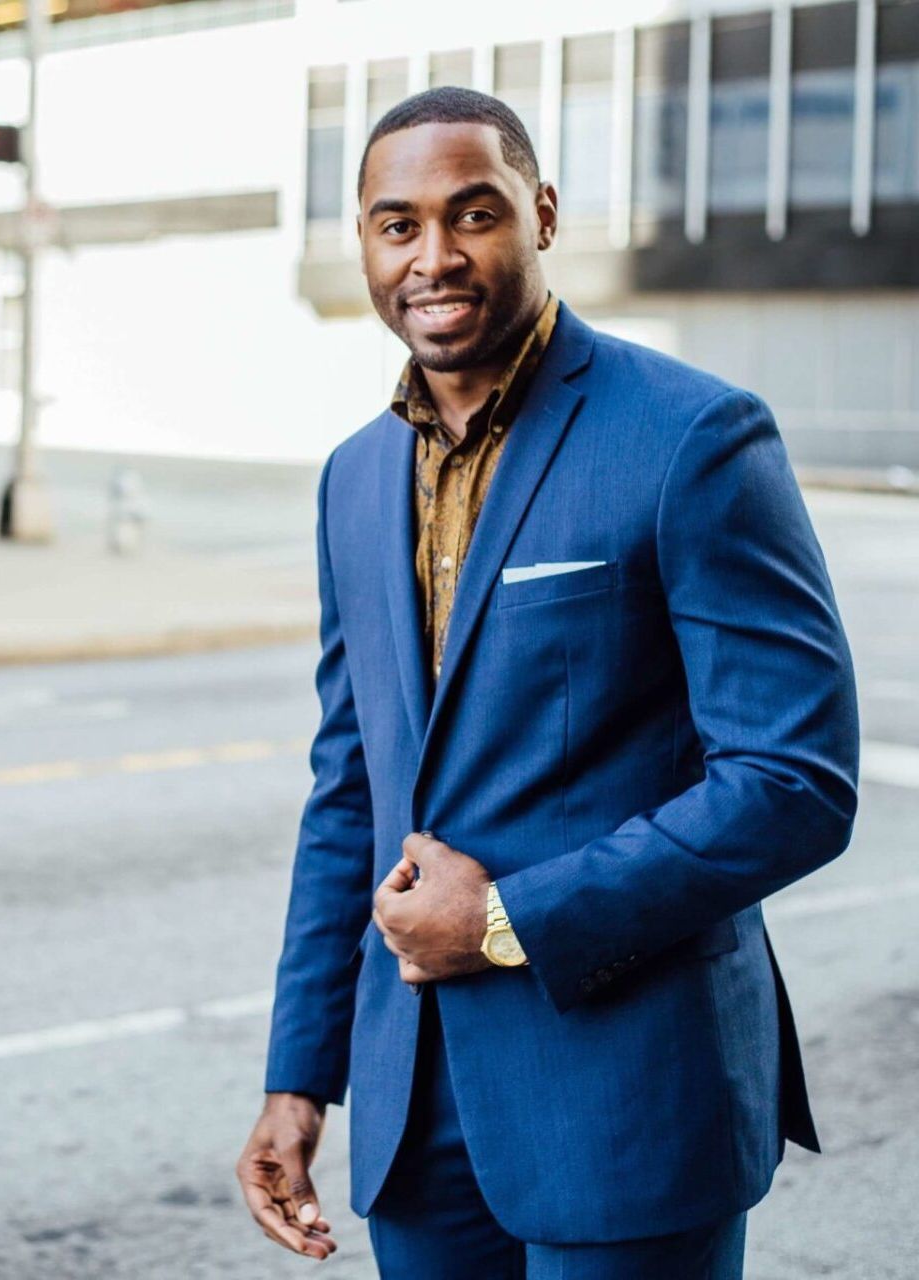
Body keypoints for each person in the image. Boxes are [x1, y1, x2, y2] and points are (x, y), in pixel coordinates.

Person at [236, 87, 859, 1279]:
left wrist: (510, 918)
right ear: (362, 243)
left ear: (544, 216)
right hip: (416, 1105)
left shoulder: (691, 435)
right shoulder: (354, 479)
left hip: (628, 1091)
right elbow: (350, 792)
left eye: (475, 213)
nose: (436, 256)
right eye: (397, 224)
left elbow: (795, 780)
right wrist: (300, 1074)